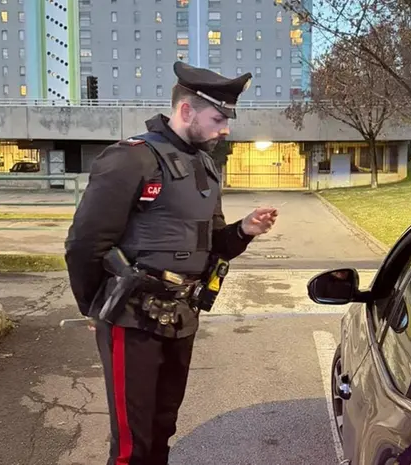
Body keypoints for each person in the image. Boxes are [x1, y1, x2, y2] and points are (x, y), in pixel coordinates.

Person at [64, 61, 278, 465]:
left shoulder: (206, 167)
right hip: (132, 318)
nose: (225, 129)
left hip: (181, 316)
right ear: (186, 111)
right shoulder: (130, 159)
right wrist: (94, 307)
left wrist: (245, 230)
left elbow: (214, 246)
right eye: (218, 118)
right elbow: (84, 244)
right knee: (133, 444)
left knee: (163, 429)